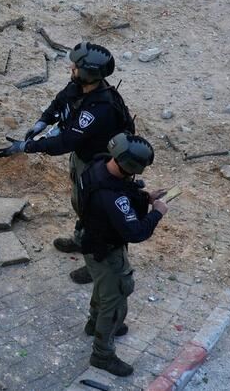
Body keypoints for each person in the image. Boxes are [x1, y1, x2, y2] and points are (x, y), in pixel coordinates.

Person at [0, 42, 134, 284]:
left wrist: (26, 147)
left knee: (101, 217)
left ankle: (98, 264)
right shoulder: (82, 87)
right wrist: (41, 122)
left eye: (76, 66)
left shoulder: (99, 109)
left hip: (104, 170)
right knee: (82, 205)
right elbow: (60, 102)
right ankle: (81, 241)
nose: (71, 67)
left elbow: (64, 142)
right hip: (86, 158)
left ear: (89, 73)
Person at [76, 133, 168, 377]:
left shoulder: (98, 165)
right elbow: (135, 232)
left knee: (102, 287)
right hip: (107, 252)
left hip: (89, 240)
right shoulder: (113, 197)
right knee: (115, 301)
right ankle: (102, 355)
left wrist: (145, 198)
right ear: (131, 167)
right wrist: (157, 212)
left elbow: (119, 190)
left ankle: (94, 323)